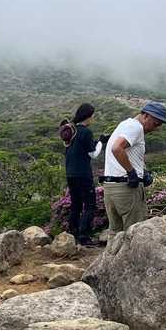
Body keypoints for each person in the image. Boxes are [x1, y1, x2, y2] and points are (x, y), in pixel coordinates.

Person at [100, 101, 166, 233]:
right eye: (155, 124)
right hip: (126, 188)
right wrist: (132, 173)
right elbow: (117, 148)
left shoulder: (125, 124)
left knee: (115, 232)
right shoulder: (136, 127)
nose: (155, 128)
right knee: (135, 232)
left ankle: (112, 249)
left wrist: (143, 172)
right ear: (146, 115)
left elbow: (128, 153)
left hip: (111, 187)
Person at [61, 103, 105, 247]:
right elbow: (93, 154)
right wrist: (101, 142)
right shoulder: (86, 132)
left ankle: (72, 234)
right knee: (90, 205)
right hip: (83, 174)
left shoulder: (72, 131)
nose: (93, 117)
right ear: (88, 116)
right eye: (93, 115)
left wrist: (95, 143)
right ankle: (84, 237)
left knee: (76, 204)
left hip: (71, 173)